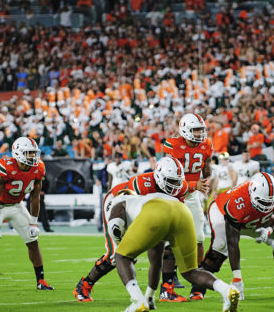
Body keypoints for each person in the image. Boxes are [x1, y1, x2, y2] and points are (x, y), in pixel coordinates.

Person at [73, 157, 194, 303]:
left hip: (150, 212)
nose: (175, 185)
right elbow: (124, 206)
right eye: (171, 180)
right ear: (159, 176)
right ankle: (84, 285)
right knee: (116, 255)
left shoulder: (181, 188)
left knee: (168, 243)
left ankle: (167, 291)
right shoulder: (141, 184)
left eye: (177, 181)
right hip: (118, 205)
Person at [111, 191, 240, 312]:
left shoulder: (120, 202)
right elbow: (156, 263)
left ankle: (138, 301)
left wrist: (123, 250)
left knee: (121, 256)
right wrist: (149, 297)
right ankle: (227, 290)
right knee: (190, 271)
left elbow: (115, 227)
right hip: (182, 211)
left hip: (155, 211)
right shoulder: (143, 200)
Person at [190, 173, 274, 300]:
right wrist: (237, 279)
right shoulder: (237, 201)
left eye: (270, 202)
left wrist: (269, 231)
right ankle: (197, 289)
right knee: (220, 247)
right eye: (263, 202)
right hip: (222, 213)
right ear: (252, 194)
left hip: (254, 218)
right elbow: (233, 242)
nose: (266, 206)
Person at [0, 137, 53, 292]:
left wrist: (33, 222)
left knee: (33, 241)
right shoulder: (5, 166)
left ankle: (41, 280)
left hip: (17, 206)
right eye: (29, 153)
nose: (32, 156)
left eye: (33, 153)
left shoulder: (38, 168)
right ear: (18, 153)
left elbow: (36, 197)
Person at [163, 113, 212, 300]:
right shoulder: (173, 146)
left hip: (192, 195)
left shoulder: (206, 145)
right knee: (170, 238)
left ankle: (197, 277)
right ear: (184, 130)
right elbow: (170, 176)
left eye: (201, 129)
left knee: (199, 237)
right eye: (196, 130)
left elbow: (205, 167)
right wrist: (194, 184)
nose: (200, 134)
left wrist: (205, 176)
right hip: (173, 195)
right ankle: (169, 276)